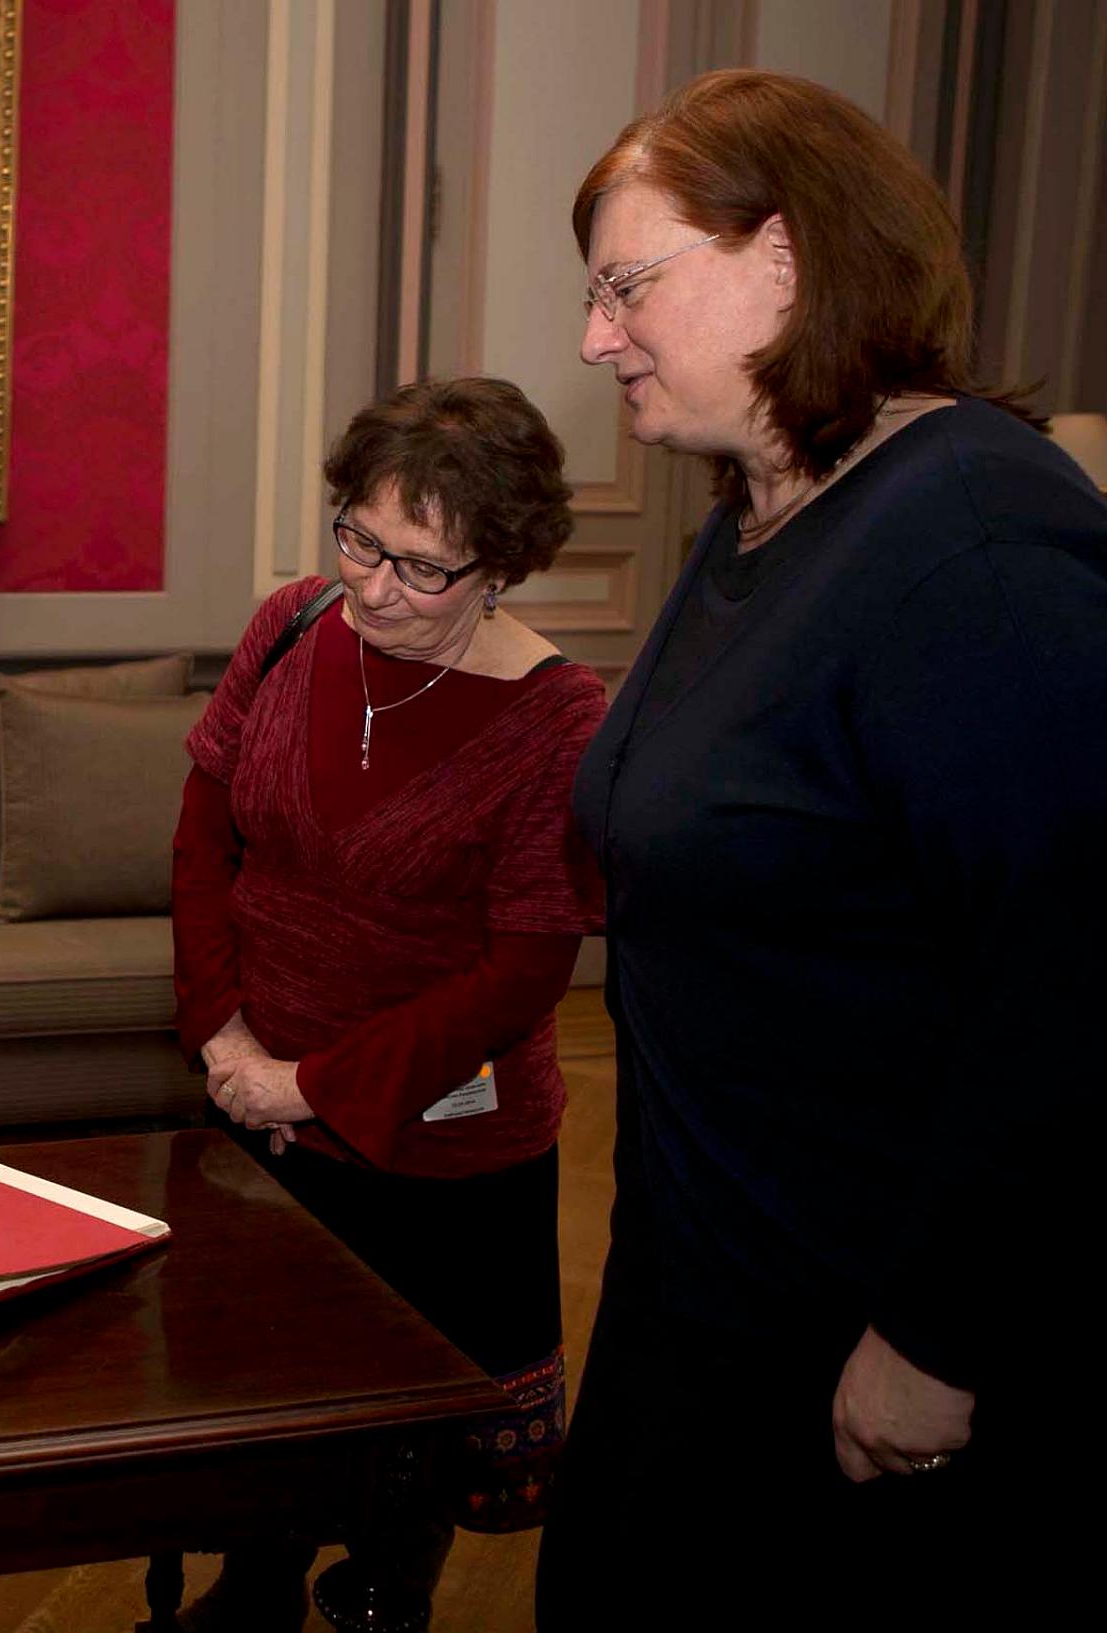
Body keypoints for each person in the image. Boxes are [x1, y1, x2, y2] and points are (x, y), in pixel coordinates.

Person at [538, 70, 1107, 1625]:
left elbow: (1069, 982)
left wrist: (937, 1339)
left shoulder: (980, 539)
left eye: (625, 285)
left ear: (785, 260)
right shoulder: (759, 511)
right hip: (700, 1289)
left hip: (868, 1343)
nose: (597, 340)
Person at [172, 377, 606, 1629]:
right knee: (263, 1391)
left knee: (406, 1436)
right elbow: (204, 835)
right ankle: (250, 1591)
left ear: (500, 569)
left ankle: (383, 1594)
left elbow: (522, 971)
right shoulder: (293, 622)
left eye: (418, 567)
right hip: (248, 1097)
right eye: (355, 537)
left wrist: (308, 1082)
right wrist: (225, 1035)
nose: (368, 586)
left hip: (441, 1148)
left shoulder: (556, 720)